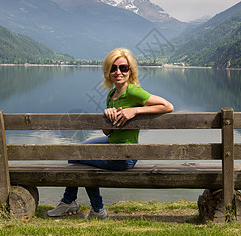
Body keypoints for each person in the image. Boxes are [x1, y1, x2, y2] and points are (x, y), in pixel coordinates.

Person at [47, 48, 174, 219]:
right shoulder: (111, 95)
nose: (118, 72)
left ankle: (93, 208)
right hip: (112, 145)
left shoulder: (133, 91)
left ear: (130, 70)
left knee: (83, 162)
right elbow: (107, 132)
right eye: (113, 68)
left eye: (123, 68)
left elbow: (168, 106)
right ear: (108, 71)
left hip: (125, 156)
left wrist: (134, 111)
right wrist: (109, 117)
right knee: (75, 153)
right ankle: (74, 203)